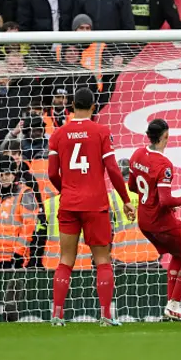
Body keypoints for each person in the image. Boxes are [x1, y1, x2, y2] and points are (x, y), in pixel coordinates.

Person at [47, 87, 135, 327]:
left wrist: (65, 190)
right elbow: (114, 170)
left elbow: (52, 173)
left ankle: (57, 315)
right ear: (94, 107)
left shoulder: (58, 134)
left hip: (69, 203)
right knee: (103, 260)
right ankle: (106, 316)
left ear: (71, 106)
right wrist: (126, 200)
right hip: (95, 205)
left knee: (65, 259)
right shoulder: (101, 132)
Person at [128, 119, 181, 322]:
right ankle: (175, 304)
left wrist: (158, 199)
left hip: (144, 221)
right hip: (160, 221)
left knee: (180, 254)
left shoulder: (136, 155)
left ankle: (171, 309)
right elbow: (166, 201)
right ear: (165, 137)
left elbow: (132, 187)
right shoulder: (164, 165)